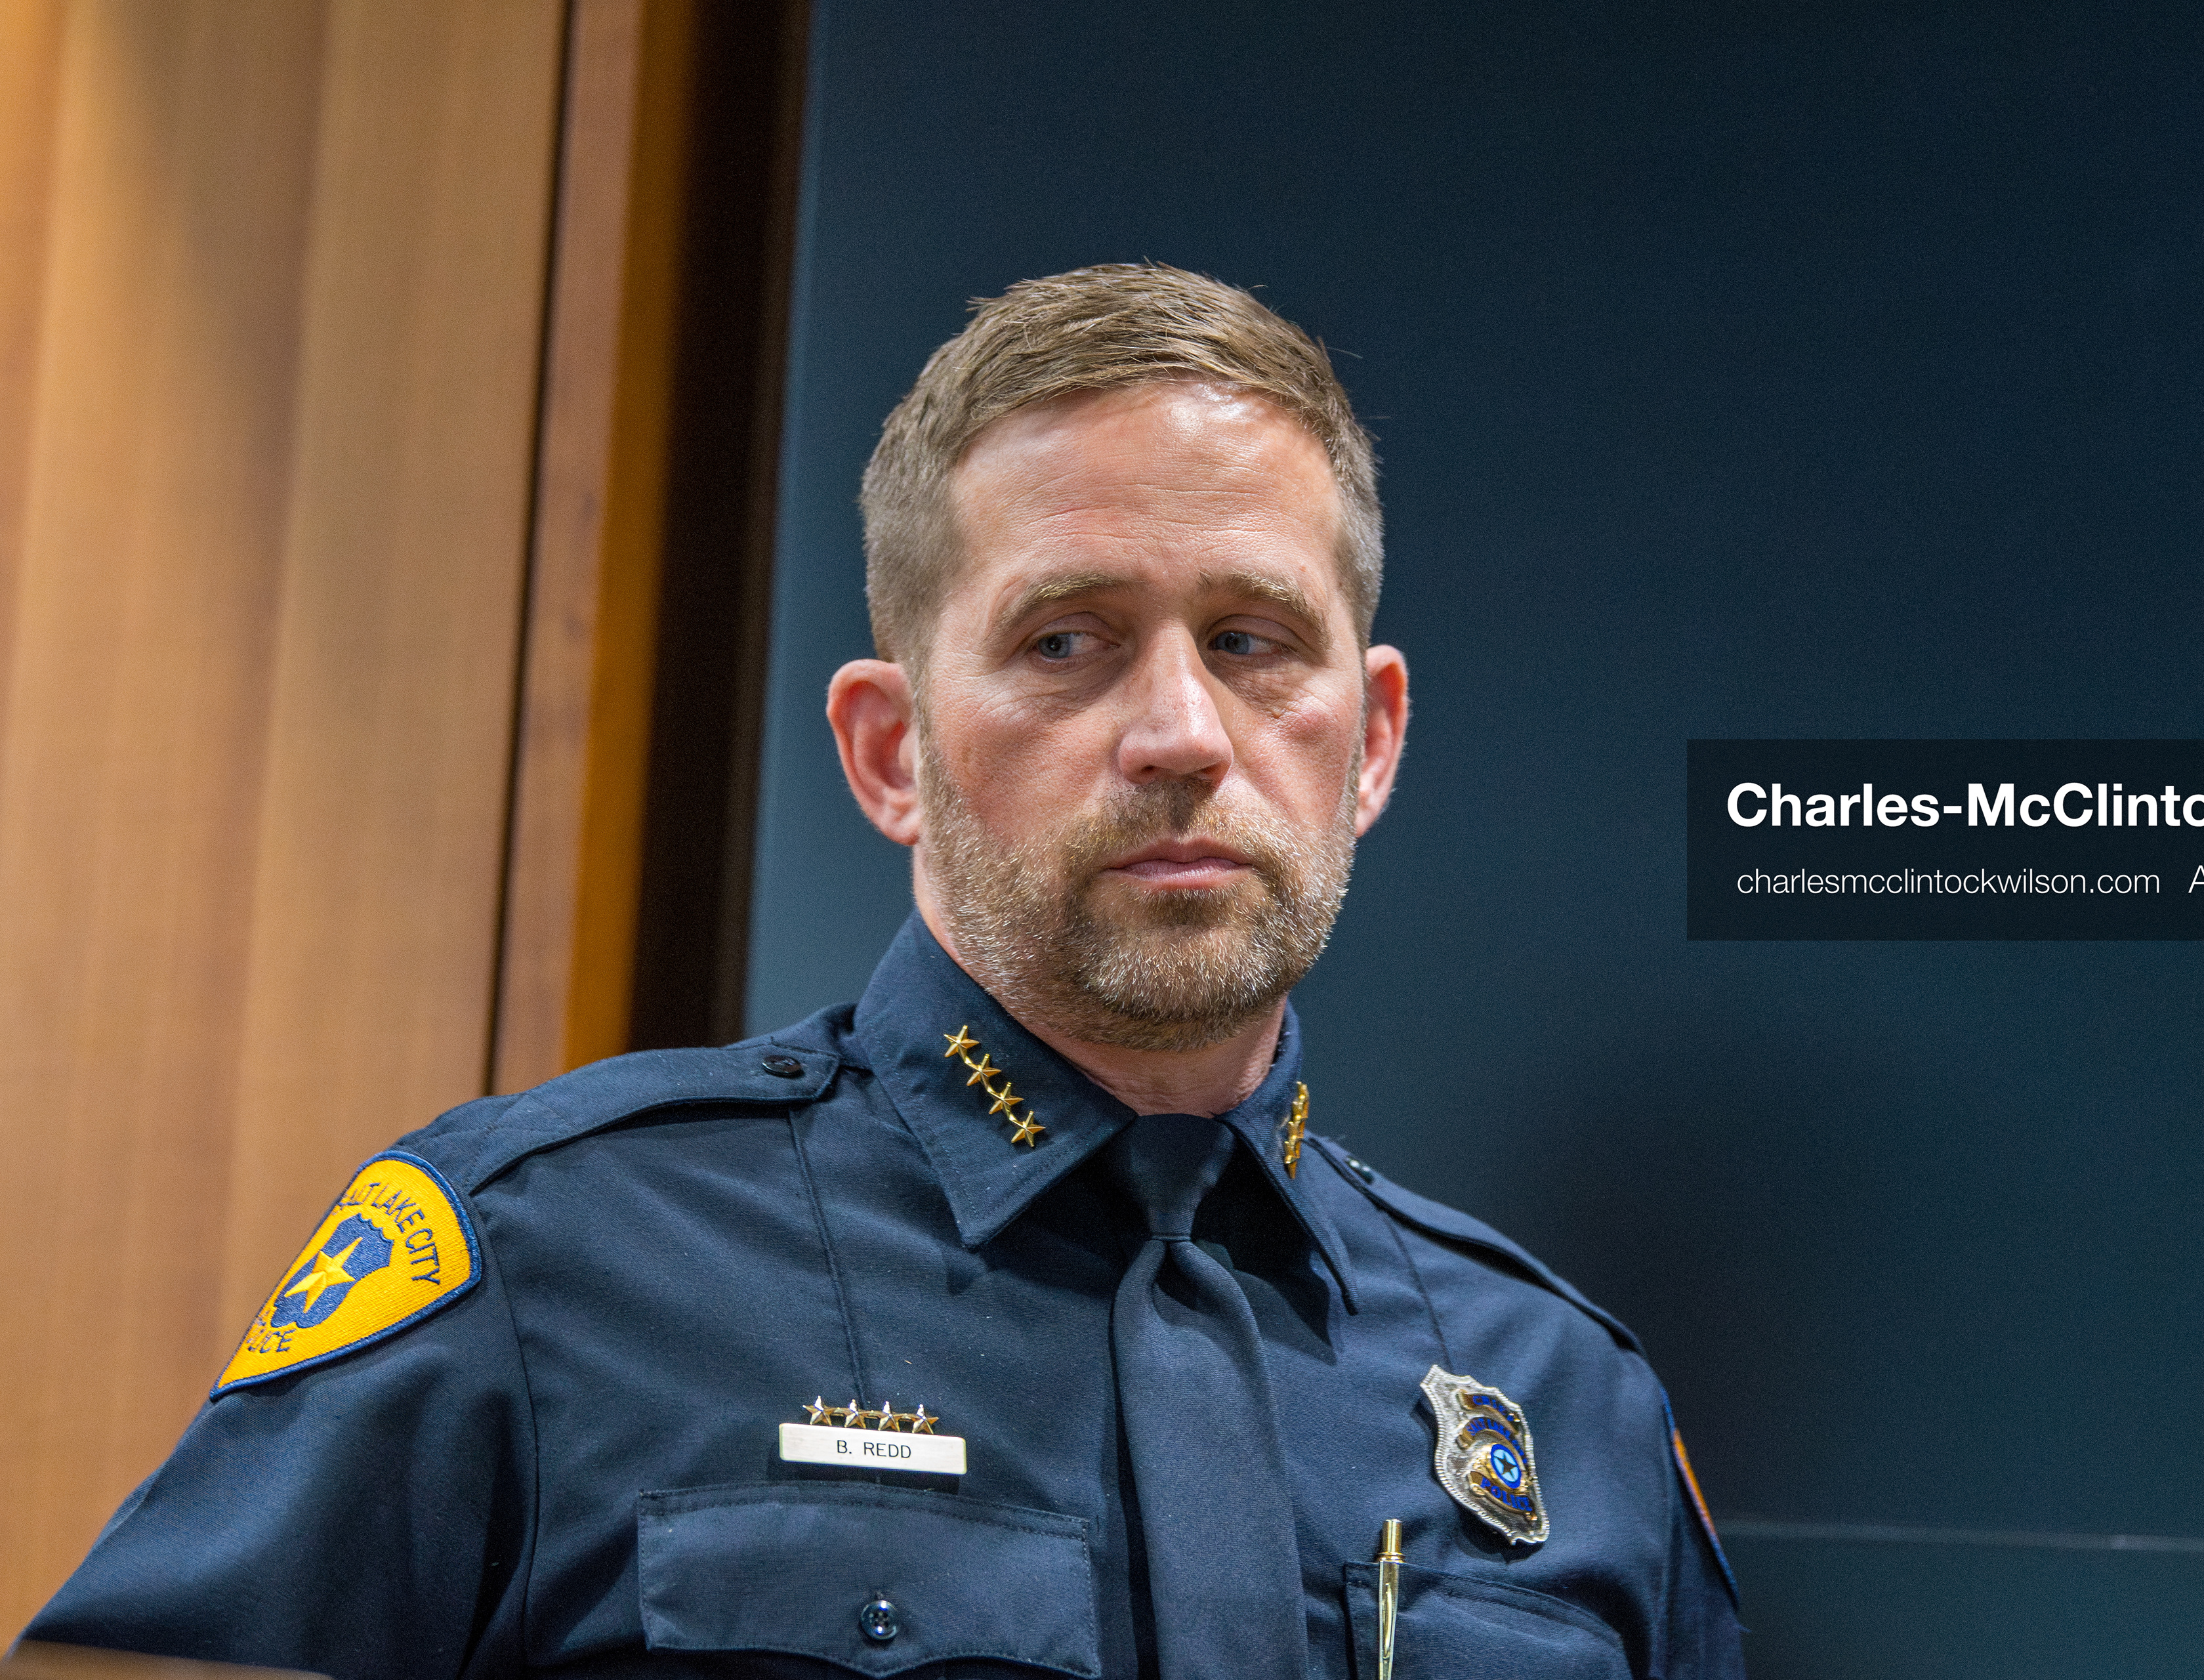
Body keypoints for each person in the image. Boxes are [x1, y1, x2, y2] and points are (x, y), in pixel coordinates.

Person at [25, 264, 1743, 1679]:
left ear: (1367, 740)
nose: (1176, 734)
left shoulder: (1562, 1400)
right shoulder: (541, 1266)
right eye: (1067, 642)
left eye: (1250, 642)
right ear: (889, 750)